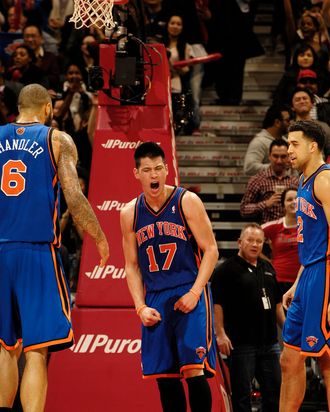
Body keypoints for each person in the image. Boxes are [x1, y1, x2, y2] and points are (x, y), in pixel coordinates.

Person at [0, 83, 109, 412]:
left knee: (4, 346)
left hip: (0, 250)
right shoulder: (56, 139)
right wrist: (99, 236)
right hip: (36, 252)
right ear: (48, 108)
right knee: (37, 348)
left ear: (18, 107)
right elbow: (74, 199)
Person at [120, 141, 219, 412]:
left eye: (159, 169)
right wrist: (140, 306)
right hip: (155, 296)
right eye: (148, 170)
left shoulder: (187, 201)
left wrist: (195, 292)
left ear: (167, 170)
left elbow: (211, 251)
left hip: (190, 289)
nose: (154, 175)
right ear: (136, 174)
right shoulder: (129, 212)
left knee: (193, 370)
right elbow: (131, 266)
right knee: (164, 376)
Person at [280, 120, 330, 411]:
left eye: (294, 144)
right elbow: (313, 242)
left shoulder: (324, 179)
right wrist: (298, 283)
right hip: (310, 272)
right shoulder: (303, 182)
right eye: (288, 144)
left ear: (313, 146)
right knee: (289, 359)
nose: (289, 150)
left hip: (325, 273)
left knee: (326, 359)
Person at [211, 223, 285, 412]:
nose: (254, 244)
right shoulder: (224, 271)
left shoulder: (267, 266)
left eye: (259, 241)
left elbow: (277, 304)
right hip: (241, 344)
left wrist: (288, 329)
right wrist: (220, 334)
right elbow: (217, 305)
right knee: (242, 396)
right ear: (239, 242)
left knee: (275, 394)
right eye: (250, 240)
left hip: (270, 344)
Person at [240, 139, 299, 224]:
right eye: (275, 156)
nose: (279, 161)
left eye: (283, 156)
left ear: (288, 157)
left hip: (290, 230)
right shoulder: (257, 180)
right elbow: (244, 209)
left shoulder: (295, 181)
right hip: (266, 232)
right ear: (269, 156)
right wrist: (266, 204)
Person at [262, 188, 300, 296]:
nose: (293, 202)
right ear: (283, 205)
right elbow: (249, 235)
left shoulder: (309, 226)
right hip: (279, 281)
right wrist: (267, 262)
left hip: (303, 280)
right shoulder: (274, 226)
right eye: (289, 199)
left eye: (297, 199)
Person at [243, 105, 291, 176]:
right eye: (287, 120)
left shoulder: (286, 141)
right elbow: (249, 167)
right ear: (277, 122)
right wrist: (276, 166)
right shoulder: (259, 142)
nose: (289, 123)